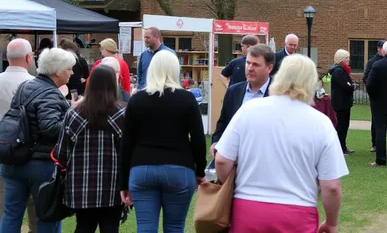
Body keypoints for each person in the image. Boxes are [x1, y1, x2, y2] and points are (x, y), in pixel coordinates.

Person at [214, 54, 349, 233]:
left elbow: (222, 160)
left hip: (248, 207)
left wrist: (231, 185)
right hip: (297, 211)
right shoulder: (321, 123)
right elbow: (331, 186)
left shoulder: (249, 110)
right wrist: (331, 222)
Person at [119, 50, 206, 233]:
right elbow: (198, 139)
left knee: (145, 227)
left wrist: (123, 182)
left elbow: (126, 143)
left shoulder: (137, 100)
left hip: (142, 168)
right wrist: (199, 170)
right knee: (175, 227)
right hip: (179, 168)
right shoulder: (187, 99)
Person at [0, 47, 73, 233]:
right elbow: (50, 128)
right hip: (40, 164)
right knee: (47, 216)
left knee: (11, 213)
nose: (72, 72)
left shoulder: (27, 85)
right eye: (69, 68)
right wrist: (71, 117)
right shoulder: (50, 94)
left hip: (13, 159)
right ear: (57, 70)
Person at [54, 65, 126, 233]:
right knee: (110, 227)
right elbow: (128, 151)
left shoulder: (74, 113)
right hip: (113, 184)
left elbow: (61, 153)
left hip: (81, 186)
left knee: (84, 226)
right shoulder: (122, 113)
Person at [0, 39, 38, 232]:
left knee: (7, 209)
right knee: (35, 210)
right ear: (29, 58)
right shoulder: (36, 85)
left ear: (7, 57)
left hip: (2, 150)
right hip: (30, 151)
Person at [210, 44, 274, 157]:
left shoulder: (279, 94)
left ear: (269, 68)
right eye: (248, 63)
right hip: (235, 158)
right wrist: (216, 142)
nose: (250, 68)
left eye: (256, 64)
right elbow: (223, 122)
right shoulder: (233, 91)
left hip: (266, 157)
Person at [329, 49, 355, 154]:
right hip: (341, 103)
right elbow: (346, 86)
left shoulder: (342, 71)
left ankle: (342, 146)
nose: (348, 60)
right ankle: (340, 147)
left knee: (344, 125)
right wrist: (351, 86)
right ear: (340, 59)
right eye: (346, 58)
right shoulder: (339, 71)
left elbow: (349, 84)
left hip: (343, 102)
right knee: (342, 126)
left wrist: (350, 85)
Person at [363, 41, 385, 153]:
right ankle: (375, 143)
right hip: (376, 96)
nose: (383, 50)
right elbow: (366, 78)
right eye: (382, 48)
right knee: (376, 120)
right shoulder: (372, 62)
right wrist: (372, 91)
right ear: (378, 49)